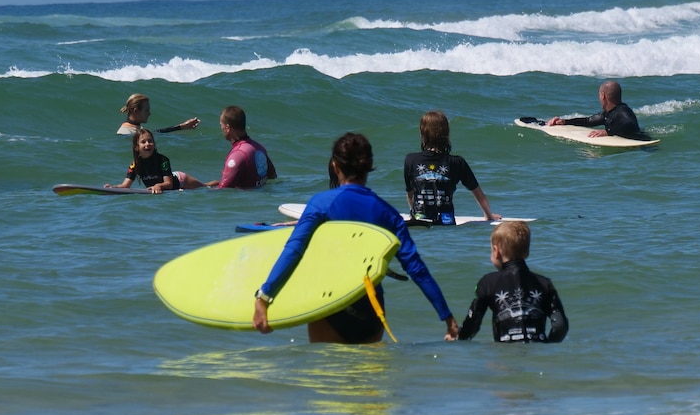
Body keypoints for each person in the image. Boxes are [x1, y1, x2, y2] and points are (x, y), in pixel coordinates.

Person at [253, 132, 458, 344]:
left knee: (329, 373)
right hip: (370, 311)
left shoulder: (321, 204)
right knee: (367, 376)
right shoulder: (386, 213)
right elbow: (416, 268)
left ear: (335, 166)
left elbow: (294, 250)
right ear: (368, 167)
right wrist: (447, 317)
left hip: (330, 305)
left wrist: (264, 296)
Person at [458, 221, 568, 343]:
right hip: (537, 353)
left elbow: (472, 324)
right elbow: (560, 327)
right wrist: (547, 346)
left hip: (505, 356)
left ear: (496, 251)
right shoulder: (545, 283)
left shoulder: (487, 283)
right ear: (527, 252)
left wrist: (459, 338)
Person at [403, 110, 500, 225]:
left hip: (419, 222)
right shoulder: (457, 162)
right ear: (446, 134)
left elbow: (410, 193)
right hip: (446, 222)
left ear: (422, 133)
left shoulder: (411, 160)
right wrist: (489, 215)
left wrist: (413, 213)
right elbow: (478, 193)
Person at [105, 128, 214, 194]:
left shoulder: (163, 160)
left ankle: (221, 184)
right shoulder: (135, 165)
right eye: (143, 142)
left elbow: (169, 184)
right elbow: (126, 185)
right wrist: (113, 187)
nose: (148, 144)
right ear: (136, 147)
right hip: (169, 185)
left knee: (205, 188)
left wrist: (159, 186)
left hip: (180, 180)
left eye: (150, 141)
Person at [546, 80, 650, 140]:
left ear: (603, 96)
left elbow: (629, 124)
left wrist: (608, 132)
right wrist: (564, 122)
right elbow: (587, 121)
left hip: (642, 144)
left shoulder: (623, 111)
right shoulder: (608, 114)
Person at [214, 105, 277, 189]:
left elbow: (223, 190)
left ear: (227, 128)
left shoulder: (238, 155)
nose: (221, 128)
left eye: (221, 125)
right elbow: (272, 175)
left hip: (246, 199)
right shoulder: (258, 148)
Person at [116, 93, 201, 136]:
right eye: (146, 110)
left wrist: (181, 127)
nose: (149, 113)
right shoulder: (125, 133)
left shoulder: (135, 128)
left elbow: (155, 133)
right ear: (135, 110)